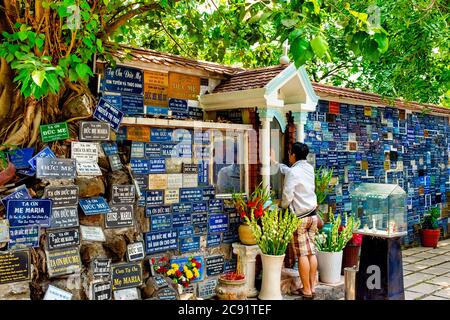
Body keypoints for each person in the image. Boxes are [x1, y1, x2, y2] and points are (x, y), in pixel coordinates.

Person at [272, 142, 318, 299]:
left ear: (293, 155)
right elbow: (290, 171)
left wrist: (283, 206)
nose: (289, 155)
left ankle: (306, 290)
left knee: (302, 255)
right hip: (313, 215)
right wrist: (277, 164)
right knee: (311, 253)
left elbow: (287, 196)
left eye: (290, 152)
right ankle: (311, 287)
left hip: (300, 219)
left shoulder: (294, 172)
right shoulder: (308, 168)